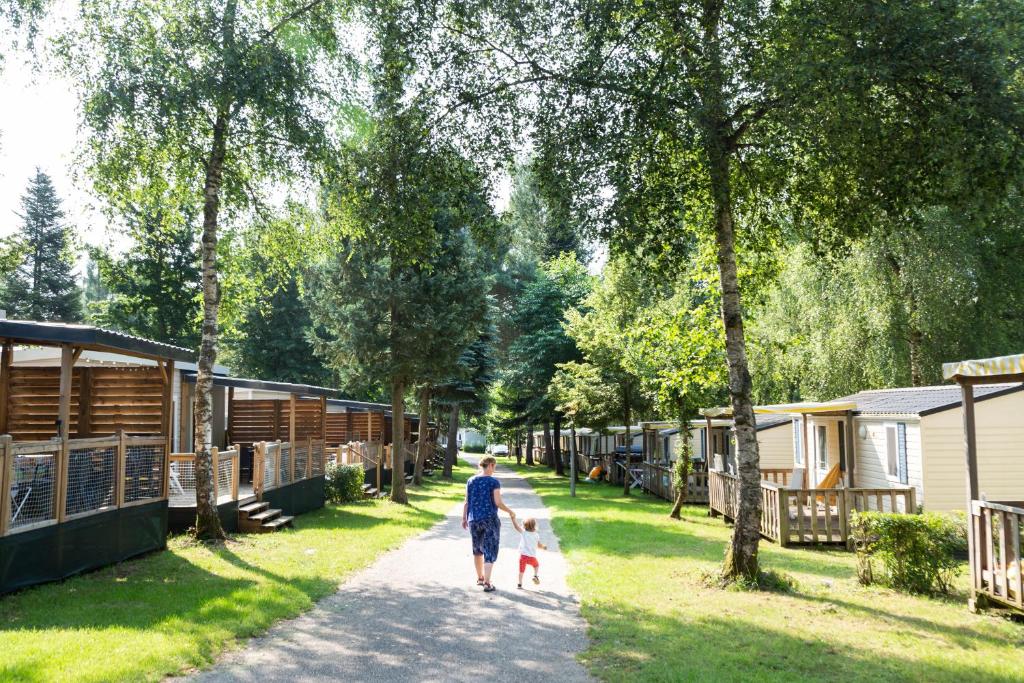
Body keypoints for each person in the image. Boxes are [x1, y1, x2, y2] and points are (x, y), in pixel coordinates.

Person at [462, 456, 515, 592]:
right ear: (490, 465)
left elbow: (466, 502)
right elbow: (498, 502)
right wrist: (509, 511)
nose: (494, 469)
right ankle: (487, 583)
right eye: (494, 466)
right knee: (490, 550)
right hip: (489, 520)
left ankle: (480, 578)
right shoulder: (493, 482)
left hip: (473, 520)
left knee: (477, 550)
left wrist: (464, 518)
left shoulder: (471, 481)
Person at [511, 516, 546, 589]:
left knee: (521, 571)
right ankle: (535, 575)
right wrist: (543, 547)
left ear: (524, 526)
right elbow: (539, 545)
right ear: (534, 526)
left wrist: (513, 519)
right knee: (536, 565)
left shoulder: (524, 533)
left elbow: (516, 527)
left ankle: (519, 584)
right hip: (531, 557)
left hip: (523, 556)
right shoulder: (536, 535)